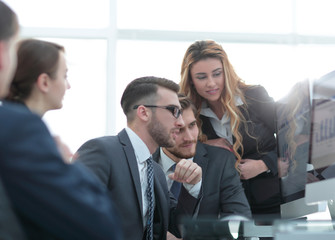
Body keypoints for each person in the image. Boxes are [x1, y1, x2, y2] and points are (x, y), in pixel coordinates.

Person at [0, 1, 122, 239]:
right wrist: (68, 167)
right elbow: (99, 225)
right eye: (64, 75)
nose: (68, 85)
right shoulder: (20, 130)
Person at [75, 76, 202, 240]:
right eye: (174, 111)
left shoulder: (155, 172)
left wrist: (193, 186)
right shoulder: (102, 151)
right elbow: (73, 213)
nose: (180, 122)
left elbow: (178, 228)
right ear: (143, 113)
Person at [179, 40, 280, 216]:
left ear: (226, 72)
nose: (211, 83)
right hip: (223, 208)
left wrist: (263, 164)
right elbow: (173, 150)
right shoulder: (190, 113)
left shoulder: (254, 96)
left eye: (217, 74)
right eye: (202, 77)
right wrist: (204, 144)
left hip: (270, 201)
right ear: (191, 81)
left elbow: (294, 141)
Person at [153, 94, 252, 239]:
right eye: (178, 130)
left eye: (192, 125)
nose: (190, 137)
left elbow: (239, 220)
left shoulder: (221, 161)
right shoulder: (142, 163)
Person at [6, 38, 72, 162]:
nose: (68, 86)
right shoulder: (27, 131)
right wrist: (63, 164)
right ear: (44, 82)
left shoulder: (14, 125)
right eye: (64, 76)